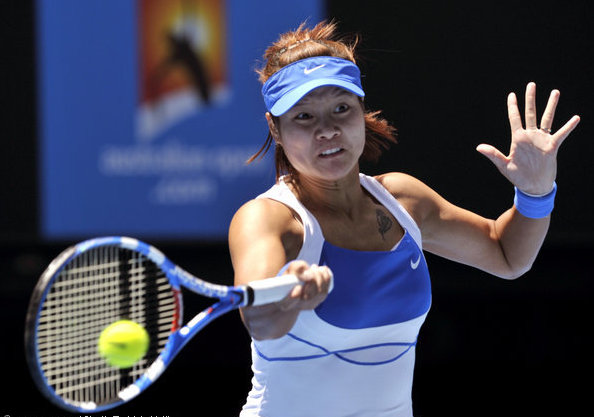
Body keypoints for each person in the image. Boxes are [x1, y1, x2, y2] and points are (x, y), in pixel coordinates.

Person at [228, 21, 580, 417]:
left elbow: (507, 255)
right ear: (276, 129)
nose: (326, 130)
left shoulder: (403, 199)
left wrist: (535, 193)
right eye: (304, 117)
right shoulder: (267, 218)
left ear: (362, 111)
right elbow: (259, 318)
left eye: (341, 109)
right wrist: (289, 295)